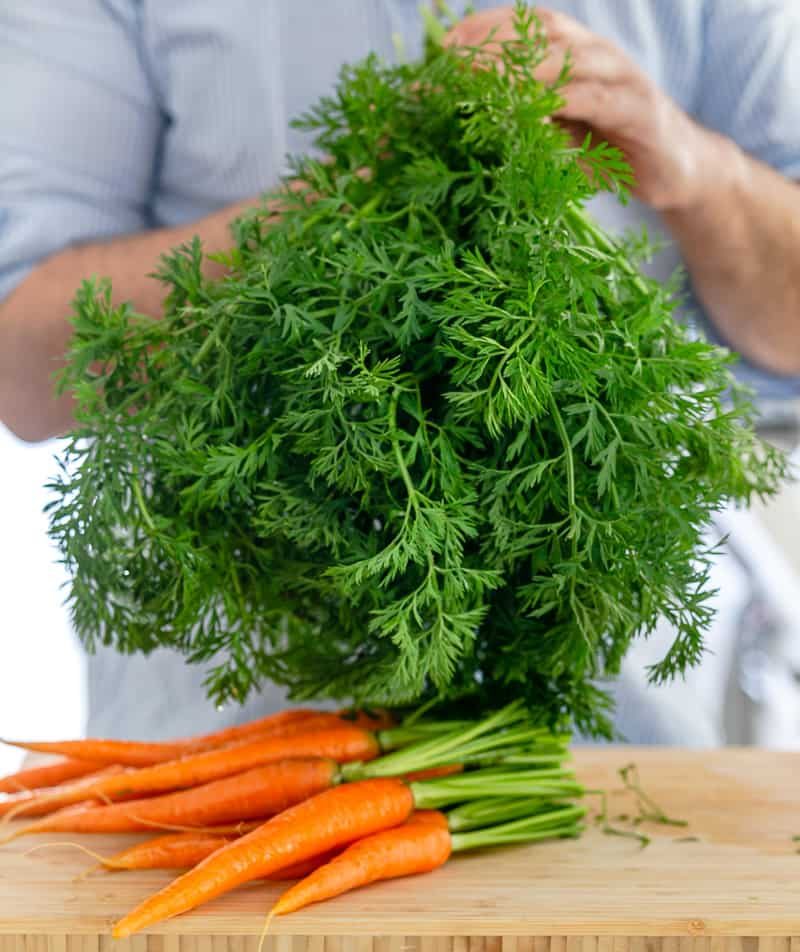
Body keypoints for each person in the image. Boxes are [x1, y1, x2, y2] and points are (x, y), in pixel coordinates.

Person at [1, 1, 799, 740]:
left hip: (619, 718)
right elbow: (22, 365)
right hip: (242, 729)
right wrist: (356, 182)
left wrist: (696, 166)